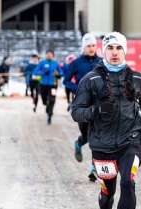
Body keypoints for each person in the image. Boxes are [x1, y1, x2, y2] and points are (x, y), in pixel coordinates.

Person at [71, 32, 141, 209]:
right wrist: (95, 110)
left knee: (128, 182)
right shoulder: (91, 79)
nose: (115, 53)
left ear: (124, 51)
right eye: (110, 48)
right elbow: (76, 112)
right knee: (107, 193)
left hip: (131, 141)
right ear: (105, 51)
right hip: (102, 145)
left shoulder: (138, 79)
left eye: (119, 48)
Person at [63, 33, 102, 181]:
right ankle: (79, 144)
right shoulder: (76, 63)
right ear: (83, 47)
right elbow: (66, 80)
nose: (91, 48)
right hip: (81, 104)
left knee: (97, 137)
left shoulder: (102, 62)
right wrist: (77, 88)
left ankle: (94, 167)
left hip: (98, 104)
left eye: (93, 45)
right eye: (88, 46)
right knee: (87, 136)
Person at [33, 50, 63, 124]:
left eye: (51, 54)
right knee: (44, 100)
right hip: (43, 84)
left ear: (53, 55)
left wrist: (59, 75)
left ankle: (50, 113)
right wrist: (43, 73)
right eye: (48, 54)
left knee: (52, 99)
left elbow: (61, 72)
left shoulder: (55, 63)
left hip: (53, 85)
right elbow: (35, 72)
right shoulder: (42, 63)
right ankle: (47, 106)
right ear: (46, 55)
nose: (49, 55)